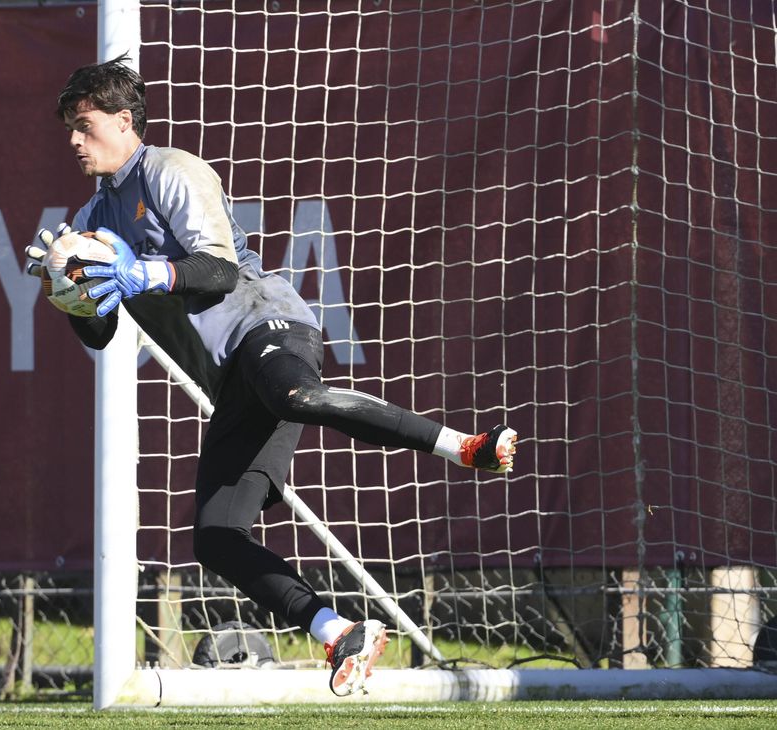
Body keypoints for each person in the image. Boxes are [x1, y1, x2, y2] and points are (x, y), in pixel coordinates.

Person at [27, 55, 518, 697]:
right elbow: (103, 331)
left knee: (296, 394)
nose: (73, 140)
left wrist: (141, 274)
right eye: (69, 127)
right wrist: (70, 296)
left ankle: (464, 447)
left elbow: (220, 273)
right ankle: (339, 632)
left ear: (124, 122)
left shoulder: (175, 171)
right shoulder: (91, 221)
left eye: (84, 125)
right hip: (232, 375)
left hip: (268, 322)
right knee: (216, 536)